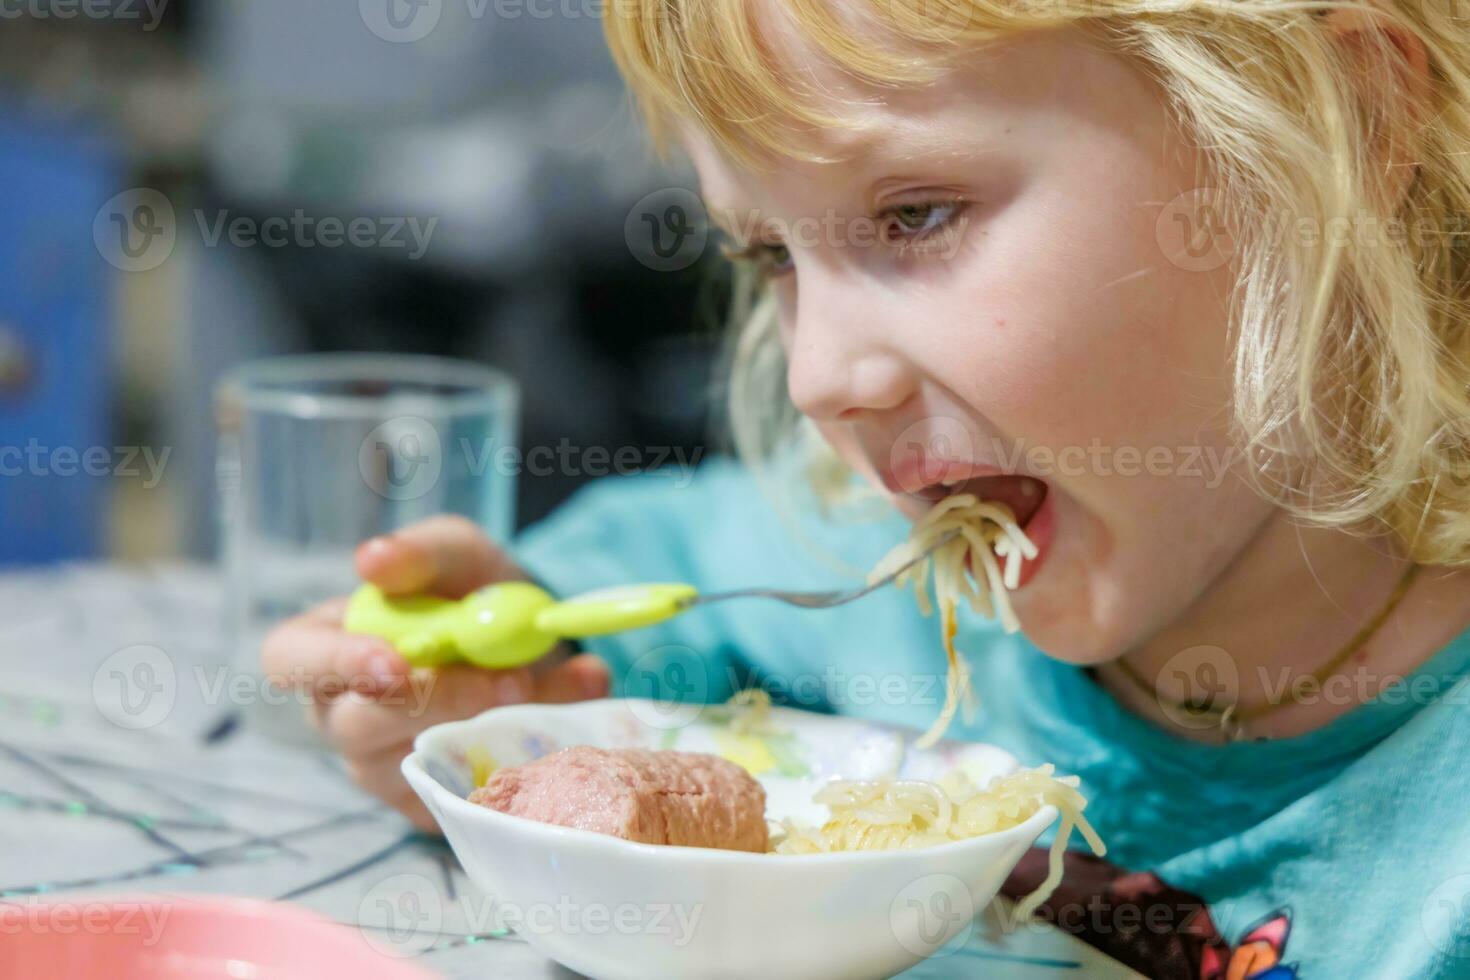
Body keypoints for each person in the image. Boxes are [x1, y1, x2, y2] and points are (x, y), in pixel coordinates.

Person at [263, 1, 1470, 974]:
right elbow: (660, 565)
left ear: (1349, 131)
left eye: (917, 214)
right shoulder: (888, 578)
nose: (819, 377)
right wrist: (502, 667)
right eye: (770, 255)